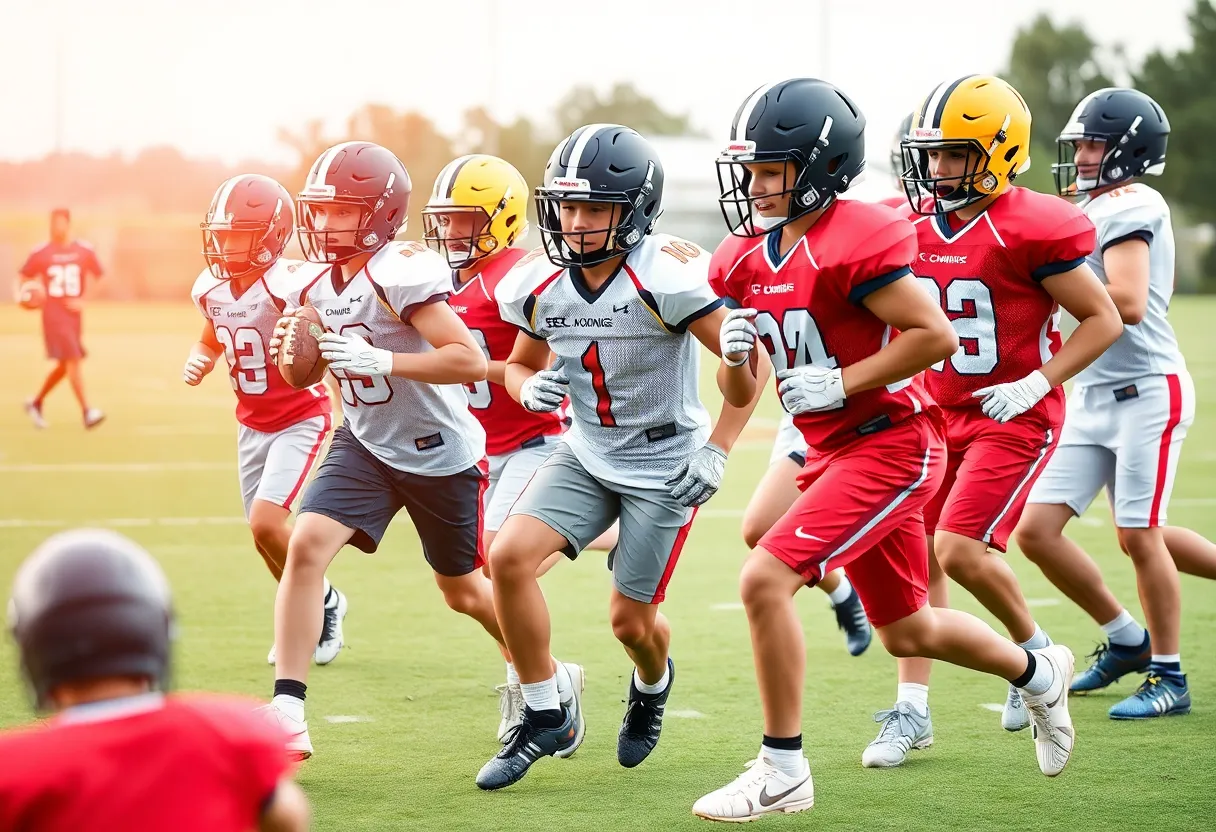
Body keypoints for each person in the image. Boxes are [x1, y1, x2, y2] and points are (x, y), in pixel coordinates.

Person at [693, 78, 1078, 823]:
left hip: (894, 446)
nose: (754, 185)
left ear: (820, 167)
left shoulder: (857, 236)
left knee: (763, 578)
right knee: (907, 627)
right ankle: (1039, 671)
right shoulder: (741, 256)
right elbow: (742, 395)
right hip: (835, 449)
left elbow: (935, 335)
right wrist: (736, 356)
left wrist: (843, 380)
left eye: (771, 170)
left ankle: (781, 771)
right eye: (750, 169)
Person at [261, 141, 579, 763]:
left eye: (341, 213)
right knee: (304, 547)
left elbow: (464, 360)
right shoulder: (315, 280)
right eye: (318, 212)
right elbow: (314, 363)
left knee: (462, 589)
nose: (324, 225)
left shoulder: (401, 270)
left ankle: (545, 672)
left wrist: (384, 359)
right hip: (364, 443)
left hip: (439, 454)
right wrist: (302, 353)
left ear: (380, 215)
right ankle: (288, 711)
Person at [477, 123, 762, 791]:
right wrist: (528, 386)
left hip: (666, 463)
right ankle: (547, 712)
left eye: (594, 208)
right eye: (567, 206)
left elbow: (751, 369)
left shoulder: (667, 274)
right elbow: (518, 368)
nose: (575, 223)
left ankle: (652, 681)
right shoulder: (540, 282)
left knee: (628, 622)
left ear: (634, 210)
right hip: (585, 450)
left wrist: (718, 450)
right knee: (507, 559)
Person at [883, 74, 1122, 745]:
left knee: (958, 549)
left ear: (998, 150)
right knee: (914, 559)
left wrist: (1037, 382)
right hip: (933, 411)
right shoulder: (908, 222)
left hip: (1010, 414)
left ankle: (1036, 656)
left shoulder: (1032, 225)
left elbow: (1102, 319)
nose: (937, 168)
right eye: (930, 154)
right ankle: (913, 710)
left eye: (955, 154)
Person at [1016, 87, 1202, 719]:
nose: (1083, 155)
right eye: (1081, 143)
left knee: (1138, 534)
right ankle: (1126, 638)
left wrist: (1041, 278)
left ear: (1128, 150)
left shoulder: (1133, 202)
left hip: (1148, 389)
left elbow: (1122, 303)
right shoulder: (1088, 204)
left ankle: (1169, 676)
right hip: (1092, 392)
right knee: (1036, 532)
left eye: (1094, 143)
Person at [422, 154, 600, 743]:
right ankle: (550, 676)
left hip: (534, 438)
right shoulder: (441, 282)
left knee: (496, 564)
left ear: (501, 218)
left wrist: (476, 367)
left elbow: (544, 363)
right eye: (444, 220)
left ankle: (538, 691)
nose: (449, 232)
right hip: (475, 449)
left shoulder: (522, 277)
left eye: (462, 220)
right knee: (458, 591)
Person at [0, 528, 309, 832]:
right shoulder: (229, 731)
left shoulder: (14, 770)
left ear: (34, 649)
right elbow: (287, 816)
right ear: (155, 632)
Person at [185, 173, 345, 667]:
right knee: (262, 536)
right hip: (251, 422)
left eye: (237, 235)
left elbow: (324, 333)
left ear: (270, 238)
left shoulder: (288, 285)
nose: (225, 244)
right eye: (221, 233)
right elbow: (214, 331)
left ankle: (320, 607)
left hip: (299, 416)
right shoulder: (211, 288)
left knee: (266, 521)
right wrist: (201, 355)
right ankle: (318, 604)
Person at [19, 208, 106, 429]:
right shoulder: (42, 252)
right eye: (54, 223)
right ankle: (87, 412)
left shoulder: (83, 250)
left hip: (74, 317)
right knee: (74, 360)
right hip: (53, 316)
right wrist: (25, 296)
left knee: (64, 365)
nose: (57, 227)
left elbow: (100, 276)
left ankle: (36, 403)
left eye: (61, 223)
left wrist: (84, 300)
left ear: (68, 223)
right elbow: (23, 276)